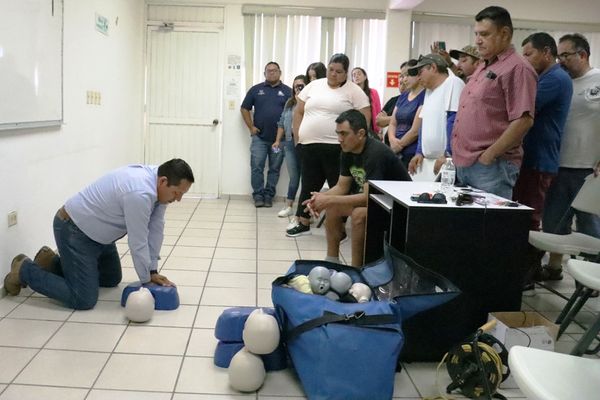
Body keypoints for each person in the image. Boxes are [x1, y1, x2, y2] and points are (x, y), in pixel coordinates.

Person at [4, 159, 194, 310]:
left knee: (111, 278)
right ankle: (25, 270)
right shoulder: (140, 193)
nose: (178, 199)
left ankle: (50, 262)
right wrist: (146, 282)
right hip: (74, 230)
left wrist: (152, 270)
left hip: (100, 236)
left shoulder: (158, 183)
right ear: (163, 181)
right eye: (177, 193)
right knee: (83, 299)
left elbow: (156, 230)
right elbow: (138, 241)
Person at [303, 110, 411, 266]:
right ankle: (332, 262)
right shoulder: (348, 151)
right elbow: (341, 186)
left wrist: (328, 200)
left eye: (344, 134)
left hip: (397, 207)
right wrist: (318, 198)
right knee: (333, 208)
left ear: (360, 134)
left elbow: (368, 197)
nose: (339, 139)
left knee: (358, 214)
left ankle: (357, 269)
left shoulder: (376, 153)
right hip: (377, 202)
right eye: (338, 133)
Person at [451, 6, 537, 199]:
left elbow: (523, 120)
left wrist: (489, 156)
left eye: (484, 34)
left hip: (491, 167)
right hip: (465, 164)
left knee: (489, 227)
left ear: (504, 33)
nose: (478, 41)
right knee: (465, 227)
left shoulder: (517, 68)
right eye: (476, 34)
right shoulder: (483, 65)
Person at [537, 33, 600, 281]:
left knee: (589, 225)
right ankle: (554, 268)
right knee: (553, 222)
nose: (560, 60)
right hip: (558, 163)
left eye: (565, 55)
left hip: (588, 168)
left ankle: (591, 277)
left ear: (582, 55)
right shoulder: (559, 81)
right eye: (558, 55)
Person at [286, 53, 370, 237]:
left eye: (338, 72)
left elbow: (364, 119)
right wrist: (298, 136)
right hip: (309, 145)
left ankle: (338, 227)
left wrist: (356, 145)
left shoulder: (354, 91)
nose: (333, 74)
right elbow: (298, 112)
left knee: (338, 186)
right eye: (331, 69)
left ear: (345, 73)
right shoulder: (313, 86)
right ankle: (303, 221)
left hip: (339, 148)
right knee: (308, 183)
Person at [241, 61, 292, 208]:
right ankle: (258, 195)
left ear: (279, 72)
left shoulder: (288, 91)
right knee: (257, 166)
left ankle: (269, 195)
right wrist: (251, 127)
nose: (271, 73)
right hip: (259, 139)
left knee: (275, 168)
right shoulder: (256, 90)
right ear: (264, 73)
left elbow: (293, 113)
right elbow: (244, 108)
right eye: (268, 71)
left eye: (274, 70)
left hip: (279, 141)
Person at [407, 54, 464, 181]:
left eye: (420, 72)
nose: (418, 77)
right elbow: (424, 123)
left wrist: (448, 154)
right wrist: (419, 152)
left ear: (433, 67)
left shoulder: (453, 82)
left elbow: (455, 121)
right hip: (429, 161)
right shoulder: (428, 90)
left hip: (447, 161)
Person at [273, 75, 306, 218]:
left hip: (305, 144)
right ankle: (289, 206)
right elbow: (281, 123)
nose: (297, 88)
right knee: (294, 177)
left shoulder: (310, 103)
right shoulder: (289, 103)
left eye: (301, 85)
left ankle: (305, 211)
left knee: (307, 178)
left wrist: (302, 99)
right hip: (289, 143)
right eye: (295, 86)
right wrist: (277, 140)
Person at [387, 59, 425, 171]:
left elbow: (415, 131)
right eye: (402, 76)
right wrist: (392, 140)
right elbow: (393, 123)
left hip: (410, 151)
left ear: (418, 75)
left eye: (408, 75)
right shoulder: (403, 96)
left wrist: (399, 145)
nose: (404, 79)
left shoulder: (424, 96)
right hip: (395, 147)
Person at [376, 61, 409, 132]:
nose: (402, 80)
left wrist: (388, 119)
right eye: (400, 83)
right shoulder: (394, 100)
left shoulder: (418, 99)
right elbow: (379, 120)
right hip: (389, 141)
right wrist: (398, 118)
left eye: (406, 75)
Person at [352, 67, 382, 137]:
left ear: (365, 77)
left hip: (371, 127)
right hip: (355, 127)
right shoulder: (351, 93)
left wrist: (380, 131)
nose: (356, 76)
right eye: (354, 75)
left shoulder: (373, 92)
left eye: (359, 74)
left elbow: (378, 111)